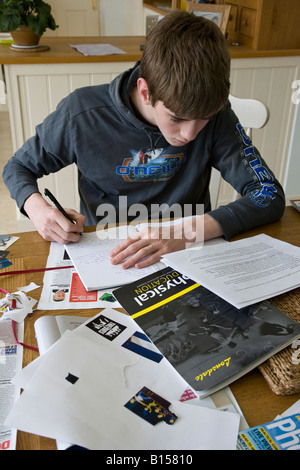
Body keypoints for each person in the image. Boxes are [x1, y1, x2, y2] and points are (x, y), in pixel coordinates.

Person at [2, 11, 285, 270]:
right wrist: (38, 210)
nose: (189, 134)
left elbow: (269, 194)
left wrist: (184, 233)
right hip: (109, 256)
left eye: (205, 118)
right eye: (176, 118)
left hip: (189, 256)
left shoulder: (219, 114)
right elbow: (17, 167)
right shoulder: (81, 113)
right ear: (145, 91)